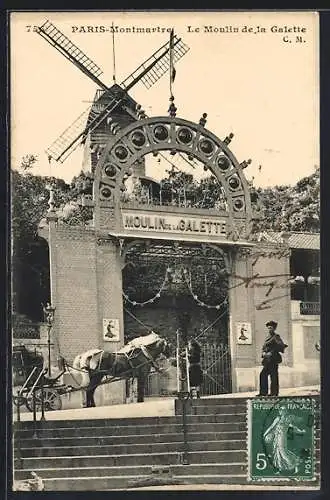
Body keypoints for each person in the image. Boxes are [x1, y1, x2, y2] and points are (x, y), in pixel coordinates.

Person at [258, 321, 288, 397]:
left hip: (273, 360)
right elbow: (264, 347)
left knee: (273, 376)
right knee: (263, 375)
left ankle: (274, 393)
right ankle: (263, 393)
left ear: (274, 328)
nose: (269, 329)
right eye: (268, 328)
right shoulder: (267, 337)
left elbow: (280, 346)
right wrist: (263, 352)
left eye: (271, 328)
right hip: (267, 360)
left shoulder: (276, 336)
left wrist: (271, 352)